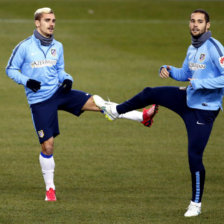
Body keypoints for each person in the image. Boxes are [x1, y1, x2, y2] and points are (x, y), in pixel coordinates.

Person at [5, 7, 158, 201]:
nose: (51, 24)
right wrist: (27, 81)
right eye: (47, 20)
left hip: (59, 92)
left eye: (53, 20)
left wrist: (67, 78)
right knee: (48, 147)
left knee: (99, 102)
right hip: (40, 101)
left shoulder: (57, 46)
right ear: (37, 23)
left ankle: (142, 117)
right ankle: (50, 189)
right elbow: (10, 69)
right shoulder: (25, 47)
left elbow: (61, 70)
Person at [93, 9, 224, 217]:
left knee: (194, 157)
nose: (195, 25)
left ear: (208, 25)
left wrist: (200, 83)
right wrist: (168, 69)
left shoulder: (216, 48)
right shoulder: (193, 47)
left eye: (200, 22)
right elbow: (185, 74)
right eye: (192, 21)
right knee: (150, 93)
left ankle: (196, 204)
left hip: (204, 111)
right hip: (187, 99)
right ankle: (116, 111)